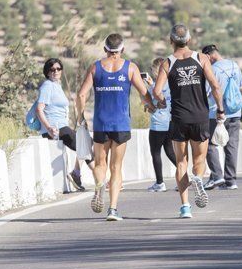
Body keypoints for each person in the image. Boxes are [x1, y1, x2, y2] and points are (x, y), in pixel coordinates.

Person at [76, 33, 155, 221]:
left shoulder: (95, 68)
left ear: (105, 49)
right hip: (121, 123)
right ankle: (112, 209)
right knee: (116, 167)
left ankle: (99, 185)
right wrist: (150, 106)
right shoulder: (130, 68)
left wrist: (81, 118)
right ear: (123, 50)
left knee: (100, 163)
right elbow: (144, 93)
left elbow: (80, 95)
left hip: (101, 123)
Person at [153, 24, 225, 219]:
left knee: (181, 162)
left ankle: (185, 206)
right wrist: (220, 109)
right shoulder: (201, 58)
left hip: (178, 118)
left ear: (171, 41)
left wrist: (162, 103)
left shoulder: (167, 63)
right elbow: (215, 86)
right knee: (199, 160)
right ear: (190, 40)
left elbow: (157, 91)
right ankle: (198, 178)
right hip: (200, 116)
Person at [34, 58, 92, 191]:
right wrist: (48, 127)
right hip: (55, 129)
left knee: (87, 143)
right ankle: (99, 180)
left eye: (58, 69)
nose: (55, 71)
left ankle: (77, 173)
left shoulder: (57, 86)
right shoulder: (47, 86)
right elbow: (39, 109)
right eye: (52, 69)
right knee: (85, 145)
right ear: (47, 72)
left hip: (63, 127)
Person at [201, 44, 242, 190]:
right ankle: (231, 181)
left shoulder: (212, 70)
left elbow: (207, 92)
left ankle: (217, 176)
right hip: (235, 112)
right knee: (231, 146)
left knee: (209, 145)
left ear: (209, 55)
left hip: (216, 113)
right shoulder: (234, 65)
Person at [145, 57, 176, 192]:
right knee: (170, 151)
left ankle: (160, 183)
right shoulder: (172, 84)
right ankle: (186, 176)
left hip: (158, 123)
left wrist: (147, 105)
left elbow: (153, 105)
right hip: (170, 122)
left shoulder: (156, 86)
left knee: (155, 153)